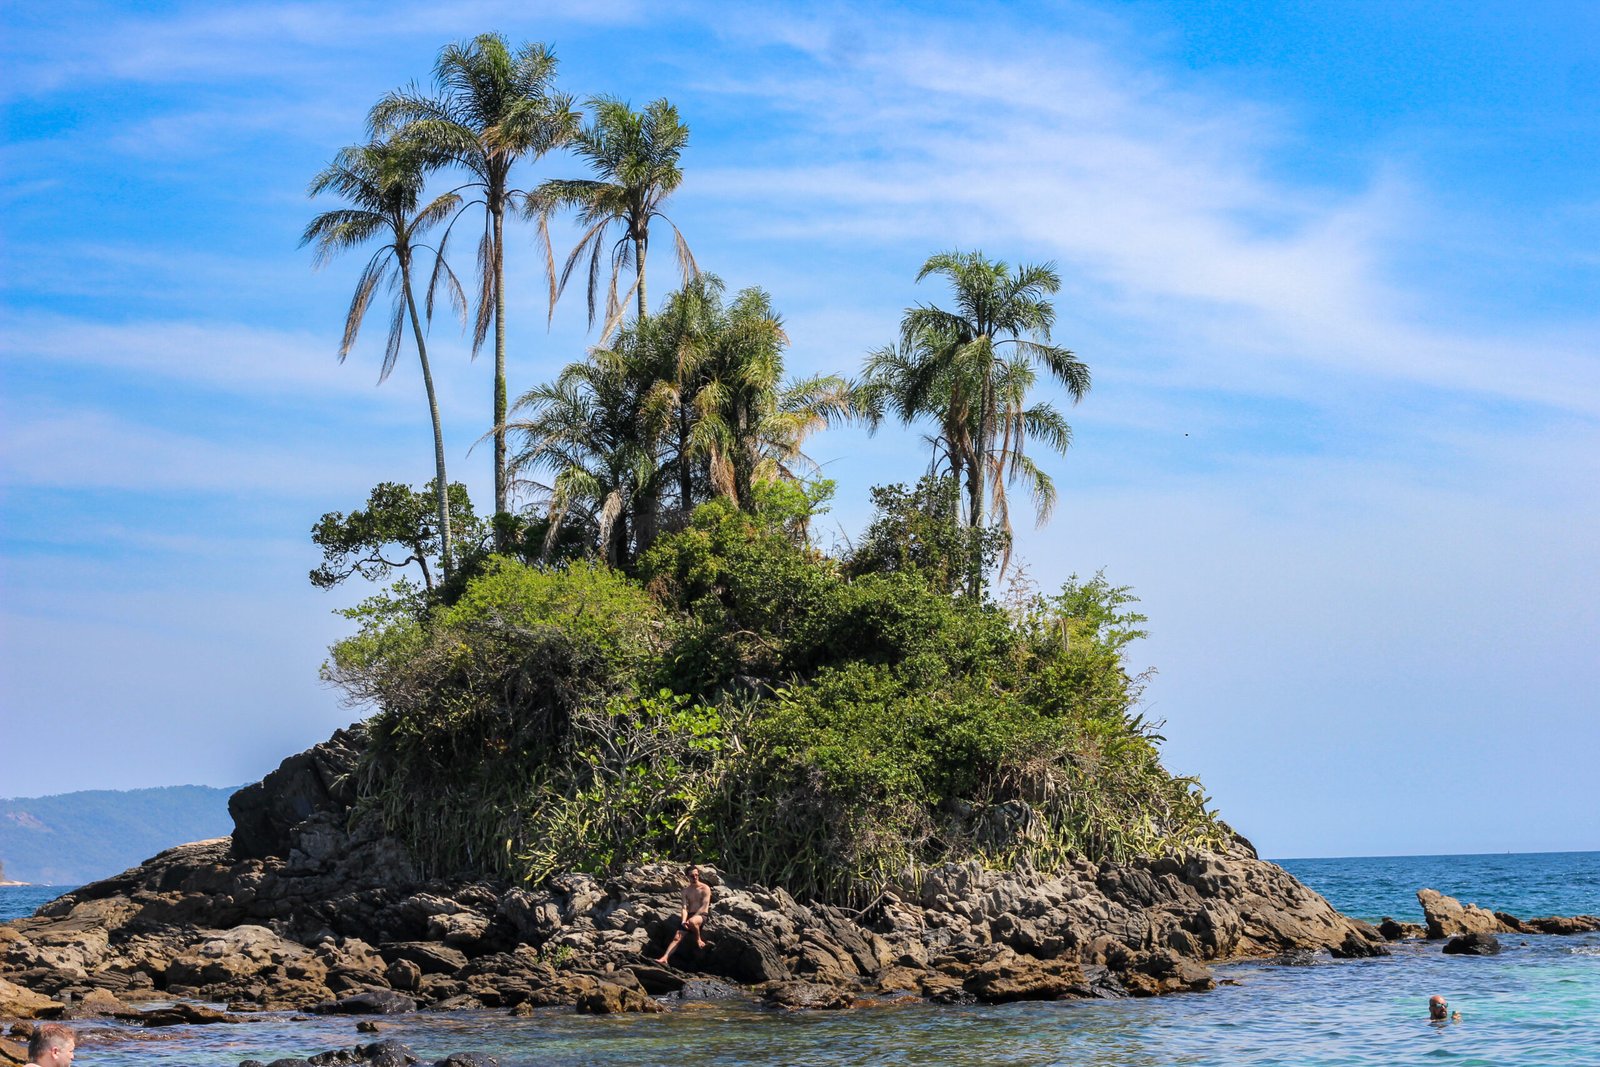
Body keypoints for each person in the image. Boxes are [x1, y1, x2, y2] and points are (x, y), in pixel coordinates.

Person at [656, 864, 713, 966]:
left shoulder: (705, 888)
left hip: (701, 914)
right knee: (677, 937)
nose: (695, 877)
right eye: (692, 876)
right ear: (687, 877)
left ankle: (698, 939)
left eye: (696, 875)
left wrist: (691, 919)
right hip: (690, 915)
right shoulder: (685, 891)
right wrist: (683, 921)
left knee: (692, 922)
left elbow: (704, 905)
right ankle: (665, 958)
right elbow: (684, 908)